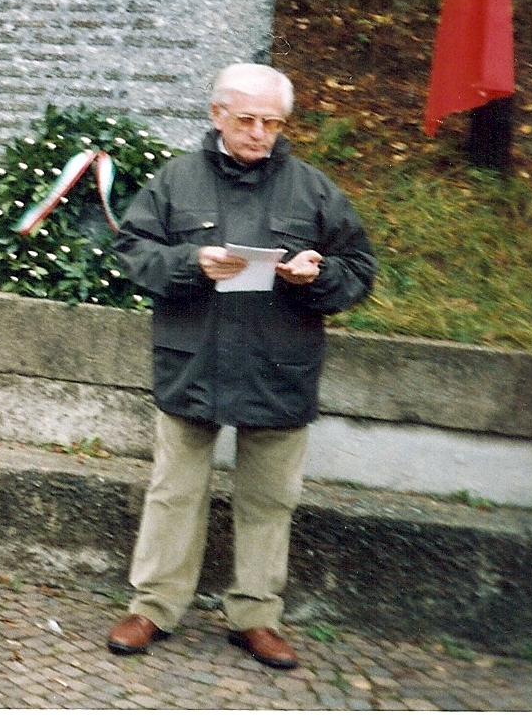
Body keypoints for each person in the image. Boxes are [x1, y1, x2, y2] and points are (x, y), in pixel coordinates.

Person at [106, 63, 376, 670]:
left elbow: (359, 269)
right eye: (249, 120)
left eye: (273, 123)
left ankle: (256, 616)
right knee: (174, 491)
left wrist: (319, 274)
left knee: (269, 499)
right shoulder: (175, 180)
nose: (260, 134)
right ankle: (153, 607)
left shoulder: (313, 189)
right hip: (193, 359)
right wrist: (188, 263)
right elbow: (131, 250)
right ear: (217, 115)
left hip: (278, 364)